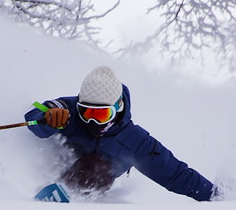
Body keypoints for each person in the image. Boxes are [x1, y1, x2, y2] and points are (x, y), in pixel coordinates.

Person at [25, 65, 220, 201]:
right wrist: (48, 116)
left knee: (96, 166)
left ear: (117, 109)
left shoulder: (134, 141)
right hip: (54, 166)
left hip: (91, 180)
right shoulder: (68, 110)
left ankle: (66, 198)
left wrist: (214, 197)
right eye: (87, 112)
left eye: (101, 114)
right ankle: (50, 194)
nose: (92, 120)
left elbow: (175, 174)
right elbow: (34, 115)